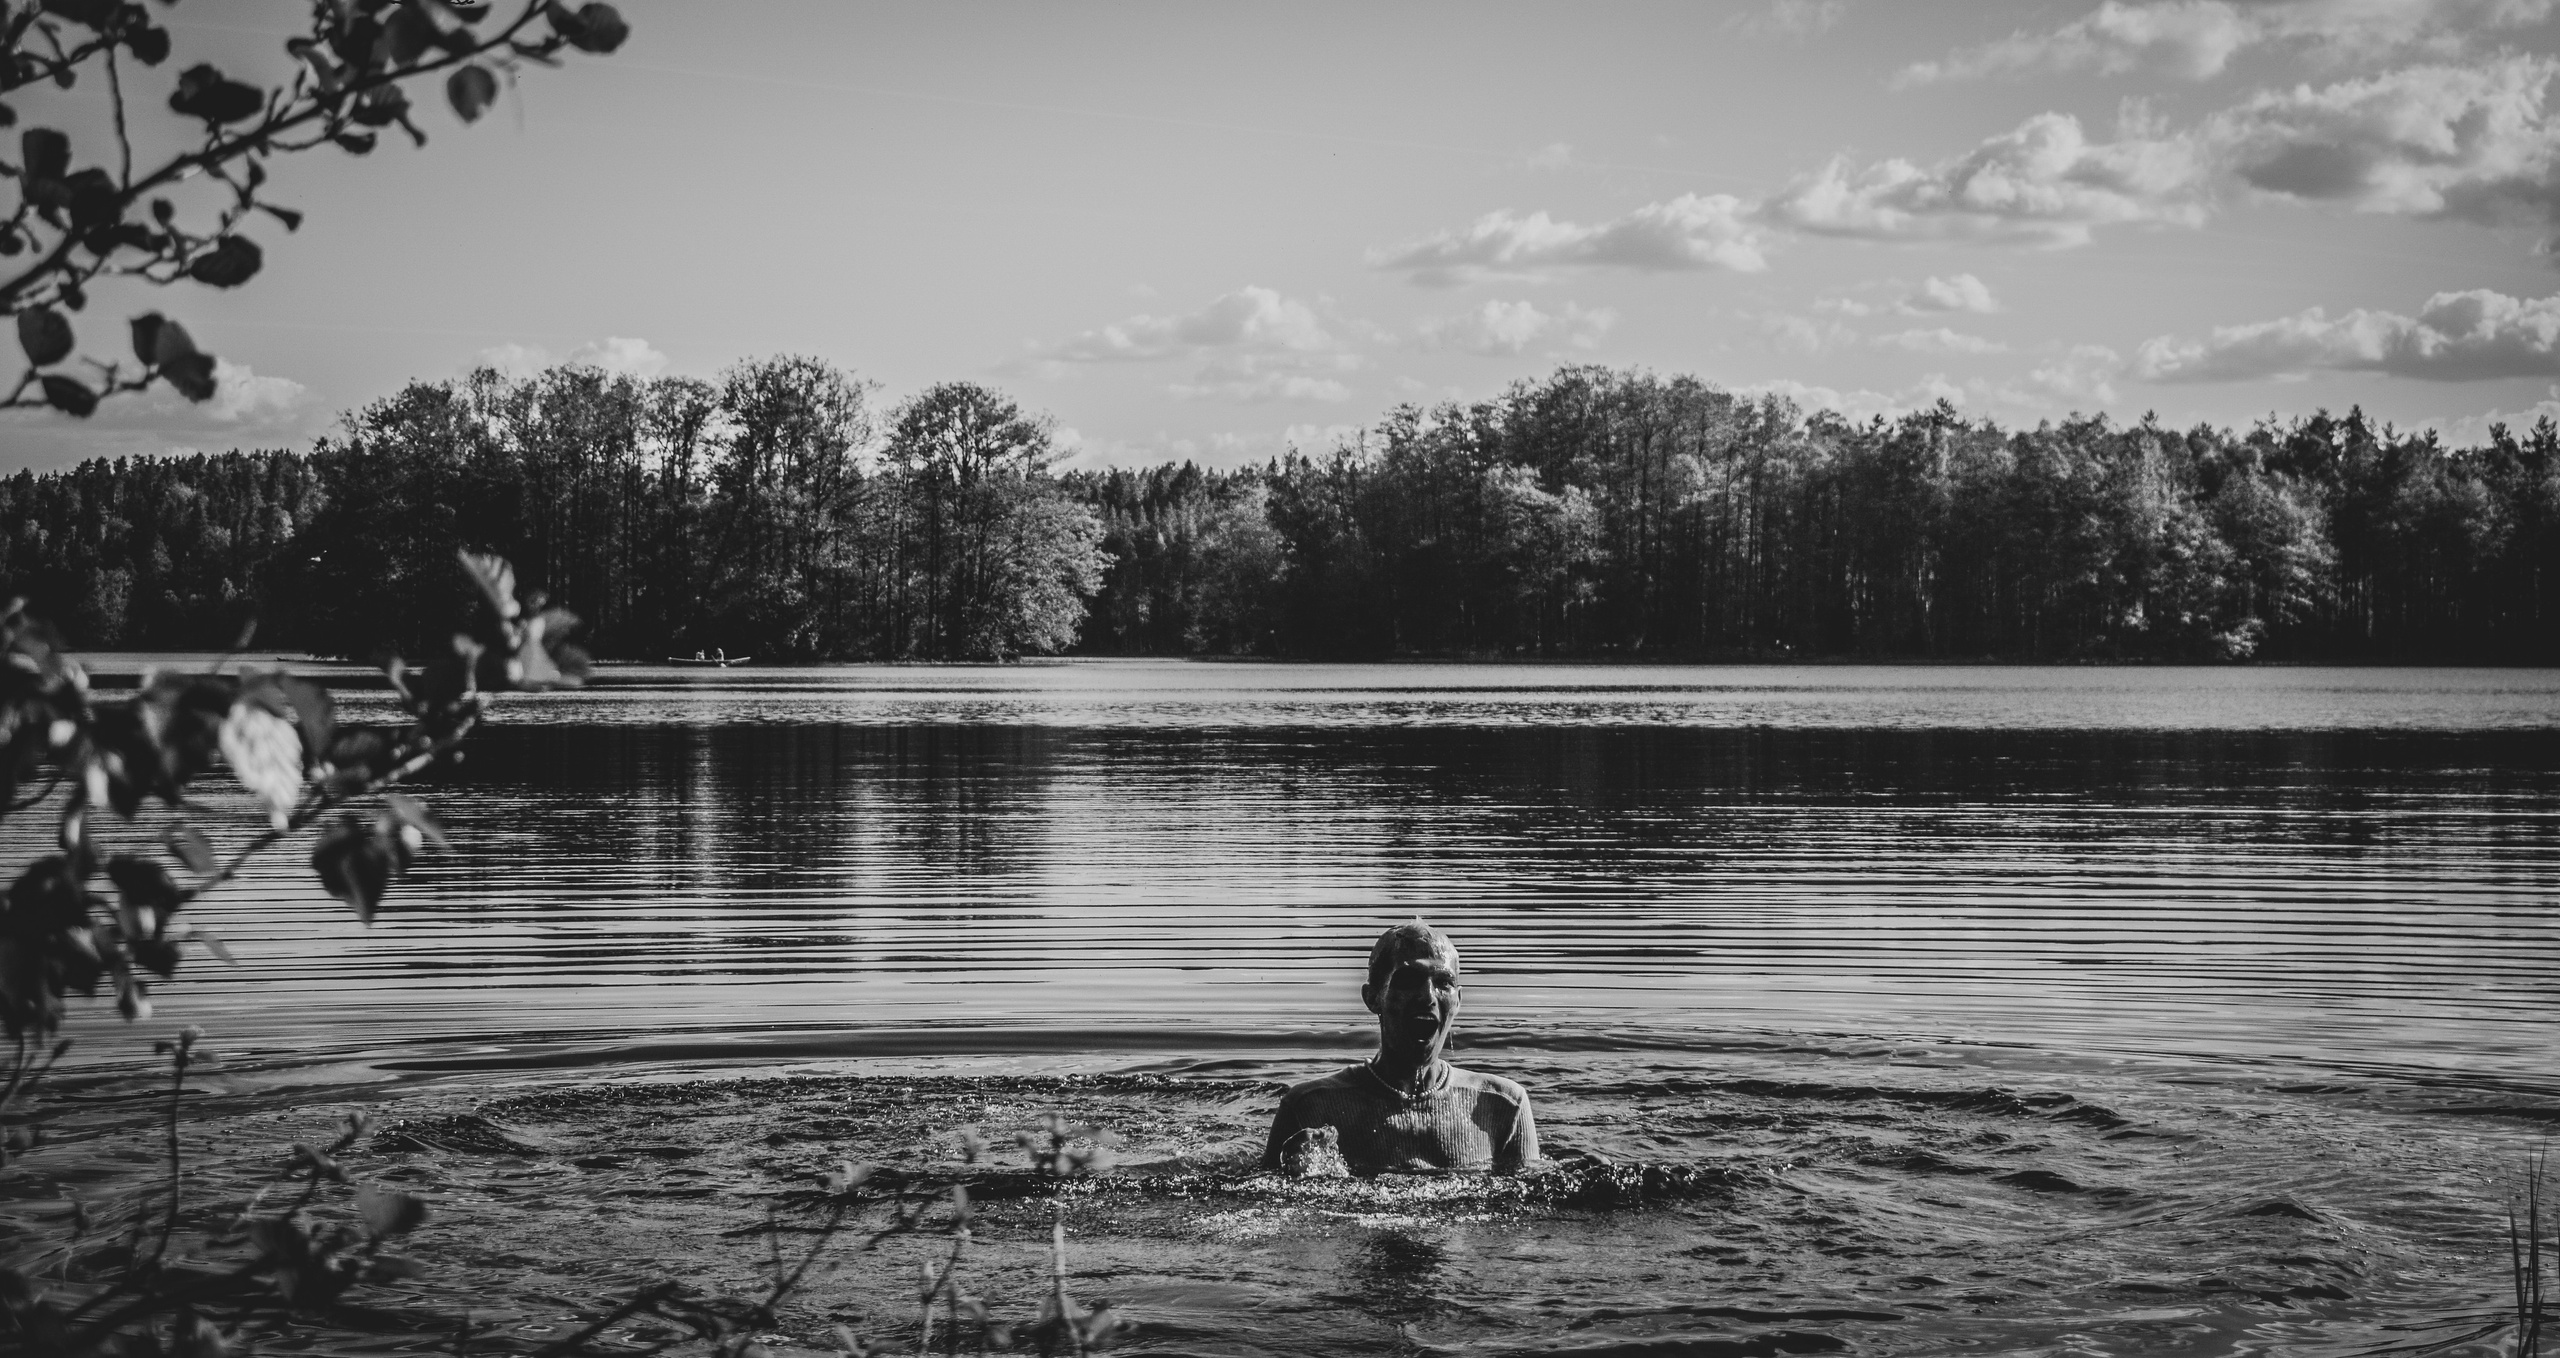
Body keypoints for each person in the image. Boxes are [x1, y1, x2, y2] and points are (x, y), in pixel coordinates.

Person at [1261, 920, 1540, 1175]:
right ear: (1373, 998)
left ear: (1458, 1000)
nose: (1427, 996)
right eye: (1408, 981)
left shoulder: (1504, 1107)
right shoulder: (1311, 1108)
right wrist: (1295, 1175)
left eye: (1443, 983)